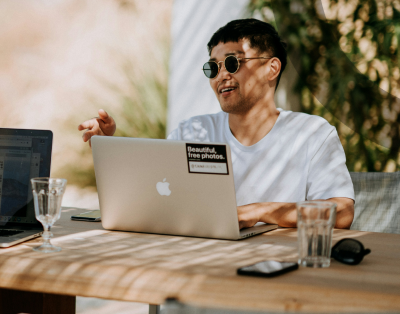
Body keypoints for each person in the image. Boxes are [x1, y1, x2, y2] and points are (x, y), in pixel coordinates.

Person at [78, 19, 355, 230]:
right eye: (213, 67)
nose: (221, 75)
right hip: (200, 265)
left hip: (278, 272)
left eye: (233, 63)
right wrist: (111, 145)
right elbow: (151, 194)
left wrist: (257, 212)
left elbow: (341, 212)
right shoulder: (193, 132)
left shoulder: (313, 133)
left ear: (272, 68)